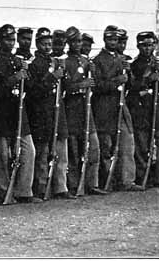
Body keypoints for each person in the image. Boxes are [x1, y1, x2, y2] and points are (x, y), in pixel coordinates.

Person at [0, 24, 38, 204]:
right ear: (0, 40)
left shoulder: (18, 61)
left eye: (13, 40)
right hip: (2, 113)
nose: (11, 43)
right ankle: (3, 190)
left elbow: (29, 87)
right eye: (8, 39)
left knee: (28, 150)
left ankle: (24, 190)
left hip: (18, 111)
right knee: (2, 155)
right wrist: (13, 79)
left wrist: (25, 72)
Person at [92, 25, 142, 191]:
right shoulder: (98, 60)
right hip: (105, 107)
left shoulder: (123, 59)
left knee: (127, 143)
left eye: (116, 40)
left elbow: (132, 86)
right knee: (106, 146)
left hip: (121, 106)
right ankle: (108, 181)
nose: (114, 42)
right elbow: (98, 86)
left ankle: (127, 180)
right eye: (110, 39)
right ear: (105, 40)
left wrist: (129, 75)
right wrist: (117, 81)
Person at [25, 28, 73, 200]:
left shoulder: (55, 61)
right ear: (37, 44)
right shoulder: (33, 63)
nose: (47, 47)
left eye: (49, 44)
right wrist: (52, 77)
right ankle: (41, 188)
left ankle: (61, 187)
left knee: (61, 152)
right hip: (42, 113)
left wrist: (62, 75)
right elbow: (34, 90)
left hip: (57, 112)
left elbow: (65, 86)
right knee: (43, 154)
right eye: (44, 44)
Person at [62, 27, 106, 196]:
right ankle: (74, 184)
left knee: (93, 148)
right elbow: (65, 87)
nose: (77, 44)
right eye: (74, 41)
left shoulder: (86, 60)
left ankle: (91, 183)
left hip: (86, 108)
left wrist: (92, 77)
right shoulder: (66, 61)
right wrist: (81, 85)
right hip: (72, 109)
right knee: (74, 150)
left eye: (79, 41)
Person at [126, 31, 159, 187]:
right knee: (142, 147)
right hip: (141, 109)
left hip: (156, 108)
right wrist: (147, 79)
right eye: (144, 45)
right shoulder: (134, 65)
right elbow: (132, 88)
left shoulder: (157, 63)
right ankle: (142, 177)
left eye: (151, 45)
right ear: (138, 46)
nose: (148, 48)